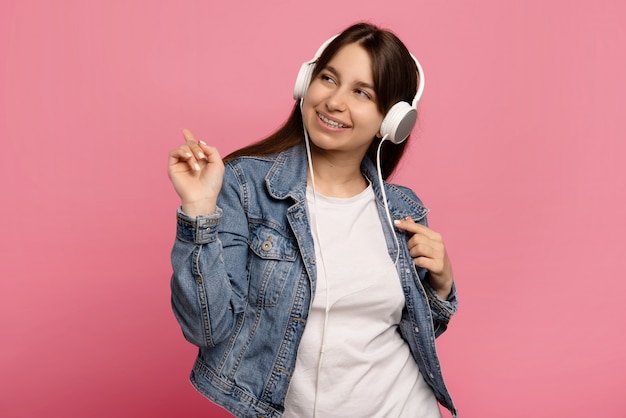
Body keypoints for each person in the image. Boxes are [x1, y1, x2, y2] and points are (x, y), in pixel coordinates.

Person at [168, 22, 458, 418]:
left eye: (361, 92)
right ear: (306, 82)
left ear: (391, 122)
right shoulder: (245, 186)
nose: (334, 101)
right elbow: (206, 328)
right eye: (328, 78)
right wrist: (199, 212)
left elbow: (410, 332)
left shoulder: (402, 210)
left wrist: (441, 289)